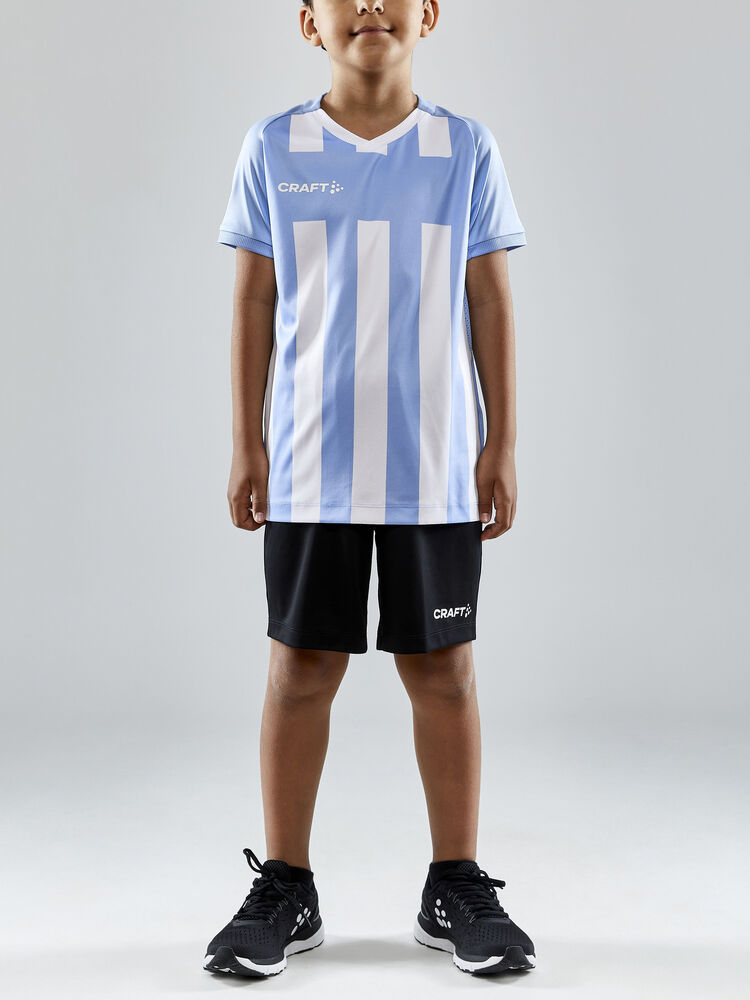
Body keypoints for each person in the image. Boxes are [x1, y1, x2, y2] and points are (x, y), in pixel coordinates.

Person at [203, 0, 535, 979]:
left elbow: (489, 295)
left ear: (428, 14)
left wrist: (502, 441)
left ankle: (455, 883)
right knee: (300, 668)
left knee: (445, 672)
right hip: (311, 466)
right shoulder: (273, 148)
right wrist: (247, 441)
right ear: (310, 21)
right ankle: (287, 886)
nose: (372, 6)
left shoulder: (464, 149)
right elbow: (254, 296)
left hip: (435, 465)